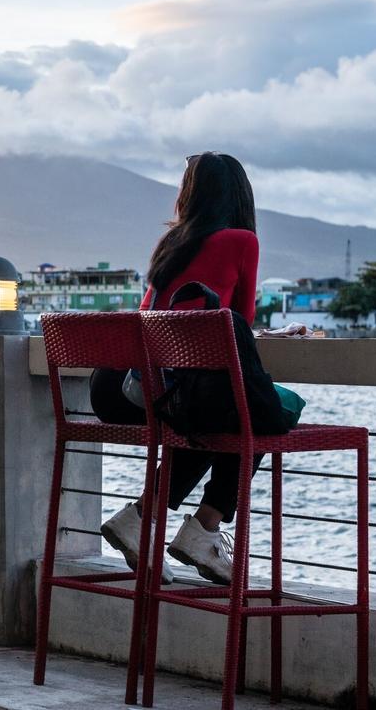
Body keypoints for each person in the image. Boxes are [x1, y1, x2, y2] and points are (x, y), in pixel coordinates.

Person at [96, 152, 261, 586]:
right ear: (241, 196)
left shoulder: (171, 243)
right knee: (256, 420)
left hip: (119, 387)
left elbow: (150, 315)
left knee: (212, 418)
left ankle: (145, 520)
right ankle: (202, 529)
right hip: (170, 389)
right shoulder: (242, 240)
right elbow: (241, 321)